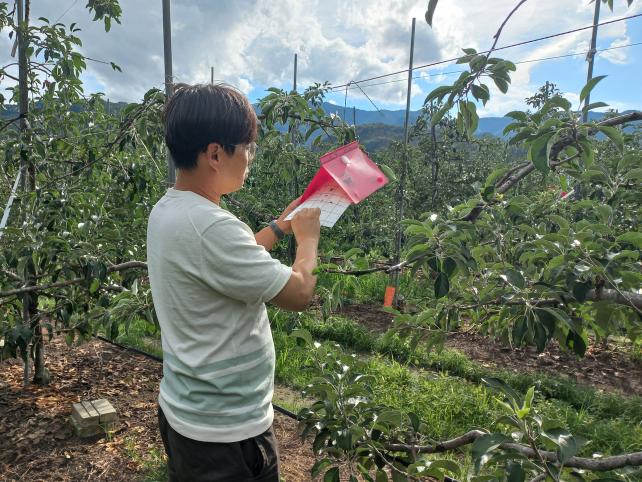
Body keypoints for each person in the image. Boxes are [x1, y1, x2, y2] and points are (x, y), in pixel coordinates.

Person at [146, 83, 321, 481]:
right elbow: (299, 293)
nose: (250, 158)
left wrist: (279, 226)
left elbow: (228, 261)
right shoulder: (212, 227)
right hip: (226, 434)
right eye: (247, 148)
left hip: (190, 415)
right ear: (215, 154)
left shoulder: (170, 210)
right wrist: (308, 239)